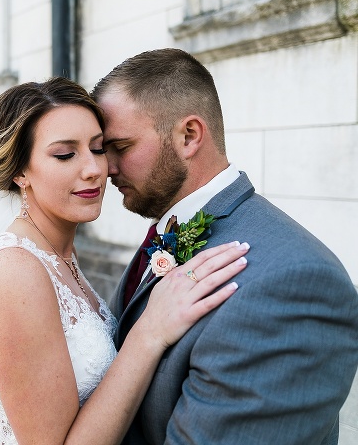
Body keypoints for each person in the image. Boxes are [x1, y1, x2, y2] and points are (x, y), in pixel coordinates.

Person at [91, 48, 358, 444]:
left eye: (122, 147)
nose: (106, 168)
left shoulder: (293, 283)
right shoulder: (171, 228)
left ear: (189, 135)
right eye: (103, 150)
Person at [0, 77, 250, 444]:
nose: (94, 169)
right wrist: (150, 332)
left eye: (98, 149)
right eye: (65, 154)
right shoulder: (13, 271)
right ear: (20, 172)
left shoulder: (59, 255)